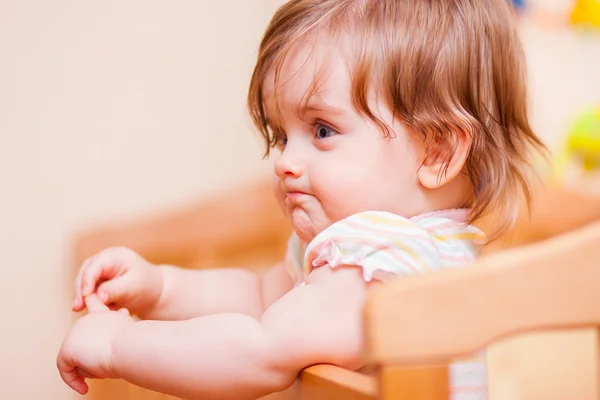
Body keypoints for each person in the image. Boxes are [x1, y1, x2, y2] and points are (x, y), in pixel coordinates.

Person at [57, 0, 545, 399]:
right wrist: (162, 288)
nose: (284, 160)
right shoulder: (408, 249)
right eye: (281, 135)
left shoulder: (379, 258)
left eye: (322, 129)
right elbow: (258, 298)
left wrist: (118, 346)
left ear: (438, 150)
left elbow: (260, 351)